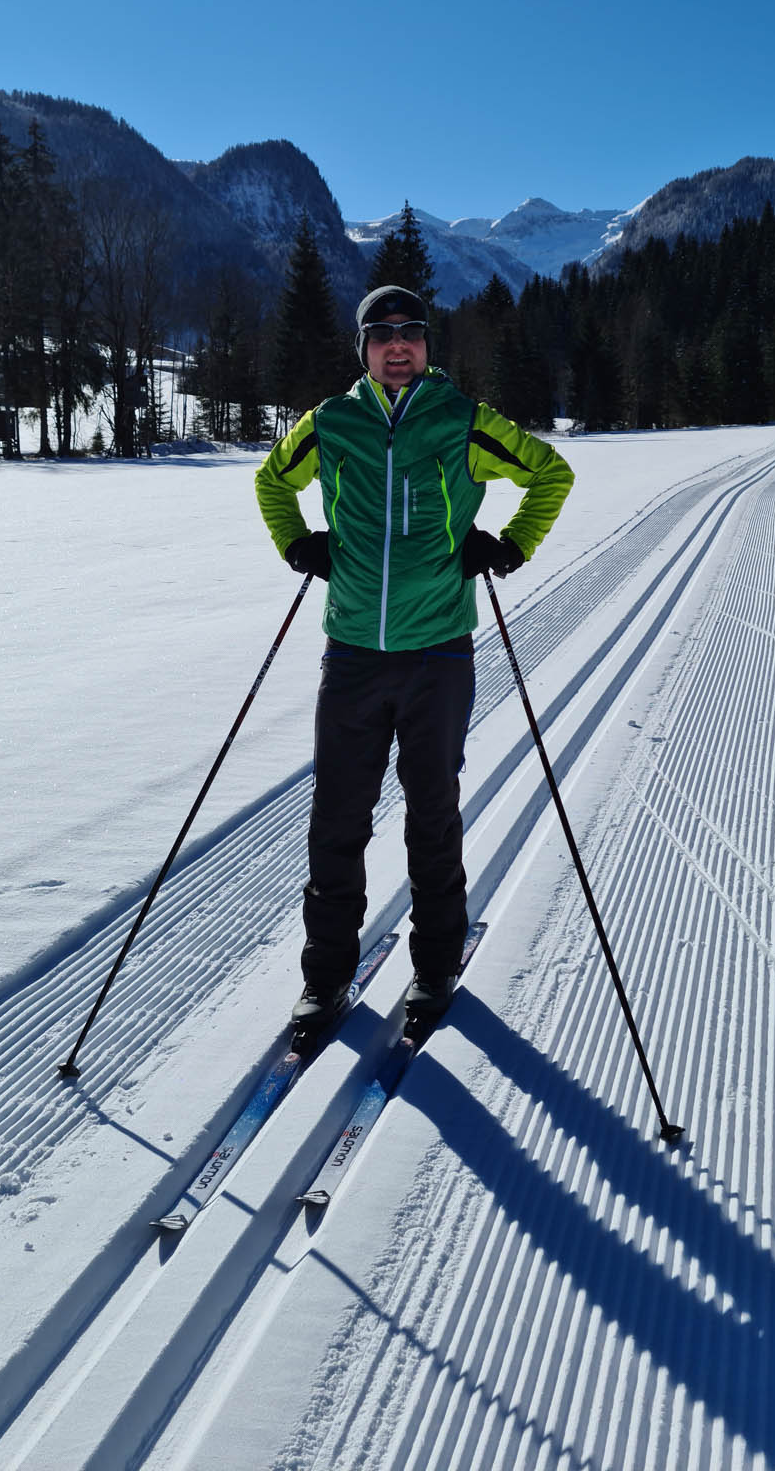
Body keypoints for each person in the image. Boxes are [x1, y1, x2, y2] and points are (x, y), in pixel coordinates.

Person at [254, 283, 574, 1032]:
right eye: (382, 334)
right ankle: (325, 978)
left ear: (428, 345)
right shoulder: (330, 423)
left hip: (439, 654)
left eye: (412, 332)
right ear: (362, 349)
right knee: (337, 820)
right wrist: (299, 542)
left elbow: (549, 473)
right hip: (354, 654)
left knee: (432, 816)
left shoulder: (462, 419)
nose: (398, 345)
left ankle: (435, 968)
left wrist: (512, 542)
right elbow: (274, 480)